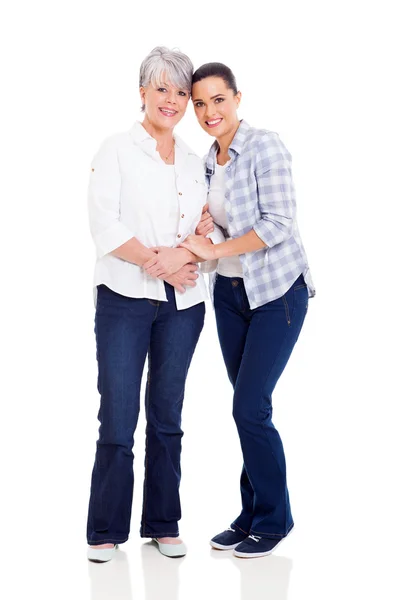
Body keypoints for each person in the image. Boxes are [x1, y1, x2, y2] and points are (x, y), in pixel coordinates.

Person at [86, 47, 223, 563]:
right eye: (161, 88)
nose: (172, 100)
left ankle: (163, 523)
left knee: (167, 415)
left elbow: (204, 233)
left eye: (181, 92)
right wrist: (158, 262)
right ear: (142, 91)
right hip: (123, 299)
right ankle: (104, 531)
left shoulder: (194, 161)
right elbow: (105, 224)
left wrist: (190, 249)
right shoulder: (117, 149)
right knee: (118, 416)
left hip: (184, 305)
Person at [180, 62, 316, 558]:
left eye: (218, 99)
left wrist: (213, 250)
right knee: (250, 411)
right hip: (232, 297)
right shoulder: (207, 163)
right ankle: (251, 513)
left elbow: (278, 222)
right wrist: (204, 235)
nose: (209, 111)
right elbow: (218, 225)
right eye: (199, 103)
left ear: (238, 98)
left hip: (276, 292)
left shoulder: (265, 145)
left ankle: (274, 521)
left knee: (248, 406)